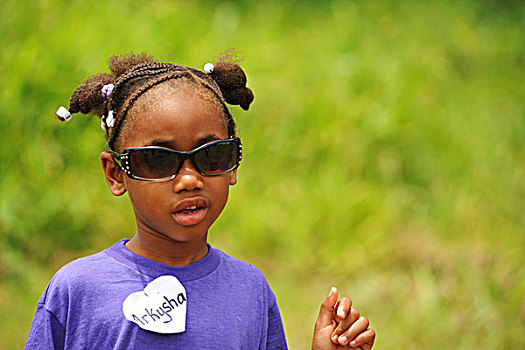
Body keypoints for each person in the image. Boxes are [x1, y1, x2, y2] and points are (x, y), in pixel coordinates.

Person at [25, 52, 375, 349]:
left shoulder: (251, 290)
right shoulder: (77, 291)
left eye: (212, 156)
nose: (190, 179)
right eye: (159, 159)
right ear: (116, 174)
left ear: (233, 165)